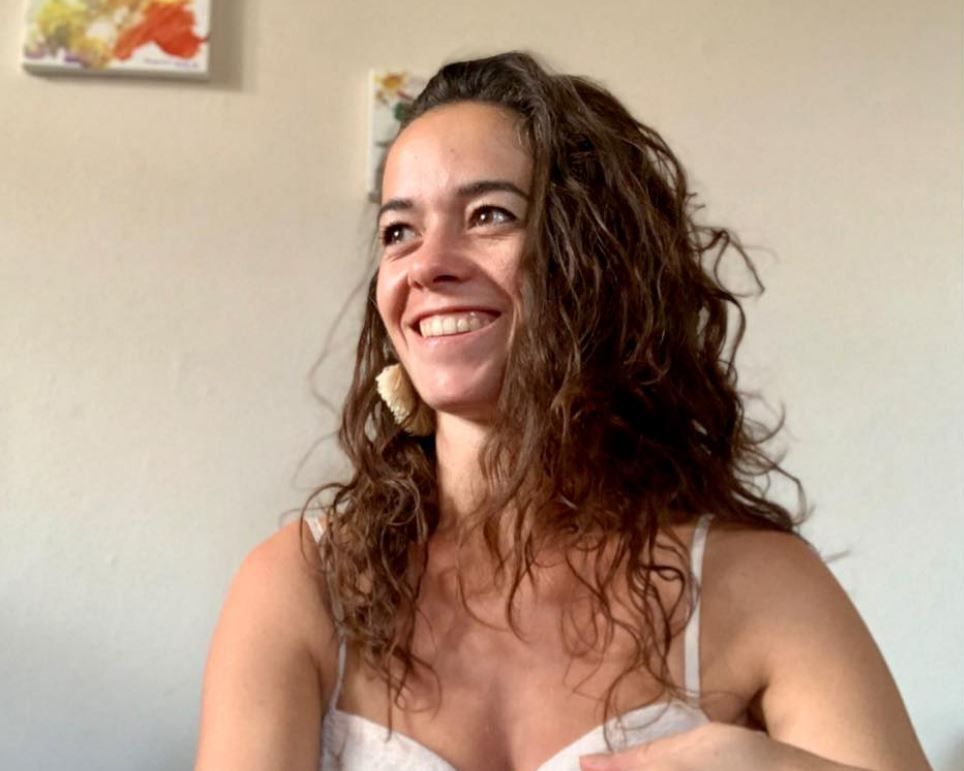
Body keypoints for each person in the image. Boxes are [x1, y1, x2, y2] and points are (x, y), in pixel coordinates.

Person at [194, 52, 931, 771]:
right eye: (399, 232)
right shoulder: (300, 585)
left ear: (598, 262)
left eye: (488, 215)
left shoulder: (763, 584)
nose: (428, 264)